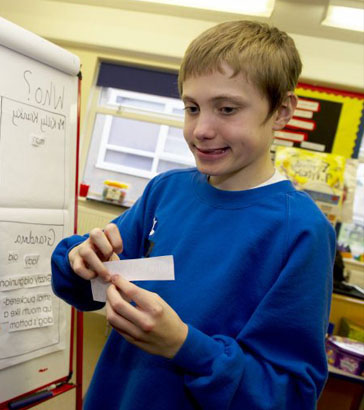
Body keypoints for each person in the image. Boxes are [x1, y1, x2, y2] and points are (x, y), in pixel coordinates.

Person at [51, 20, 336, 410]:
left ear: (282, 111)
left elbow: (288, 393)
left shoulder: (301, 231)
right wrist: (78, 259)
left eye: (227, 109)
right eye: (192, 108)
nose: (201, 129)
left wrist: (185, 347)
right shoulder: (165, 190)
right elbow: (91, 287)